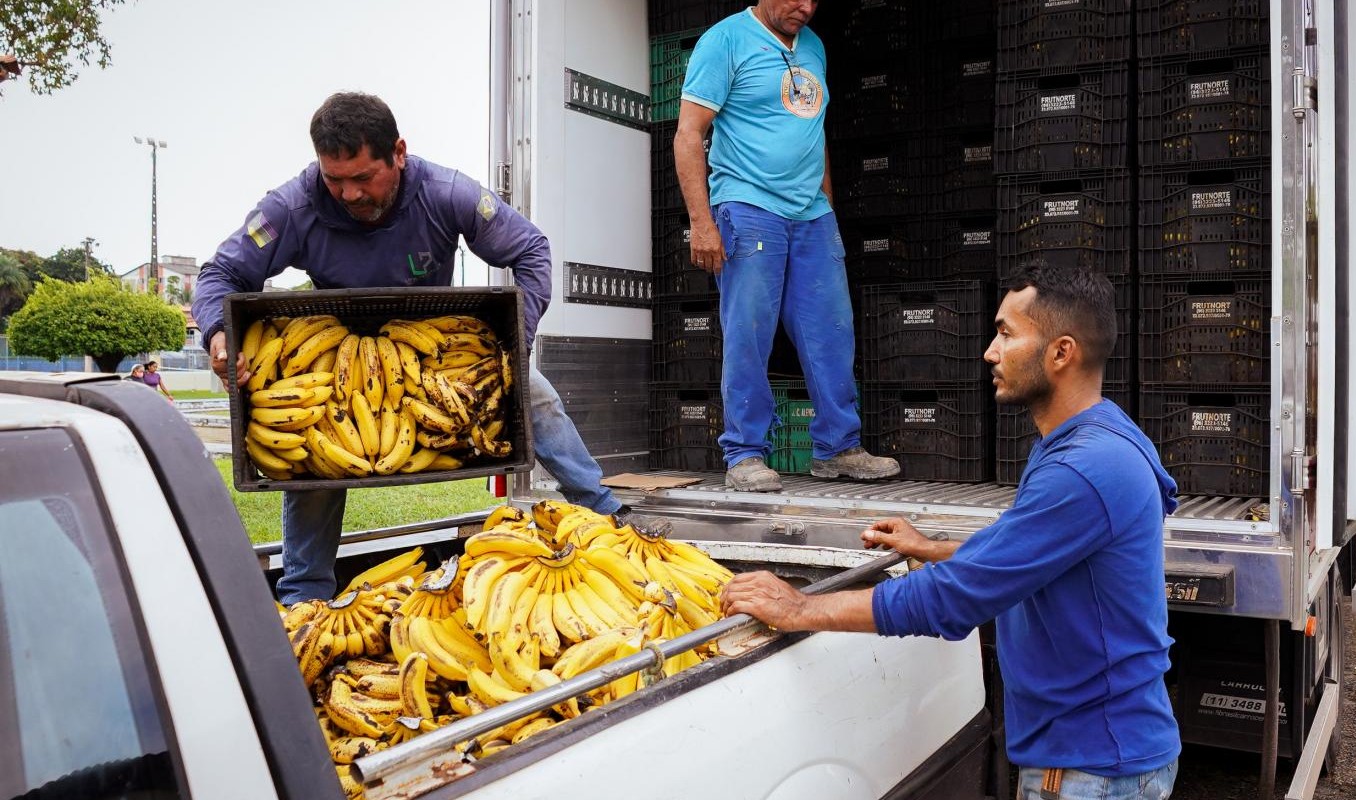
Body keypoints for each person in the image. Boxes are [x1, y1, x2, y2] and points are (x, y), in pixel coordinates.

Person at [722, 266, 1182, 800]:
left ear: (1061, 353)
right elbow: (1029, 548)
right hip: (1101, 754)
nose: (990, 351)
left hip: (1091, 766)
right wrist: (933, 548)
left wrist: (802, 609)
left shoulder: (1085, 468)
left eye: (1007, 333)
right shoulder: (1093, 438)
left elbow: (952, 600)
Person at [192, 92, 665, 604]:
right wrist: (219, 333)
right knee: (314, 445)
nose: (348, 194)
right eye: (335, 180)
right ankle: (303, 595)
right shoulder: (291, 206)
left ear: (398, 152)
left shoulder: (446, 193)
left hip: (437, 350)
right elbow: (221, 272)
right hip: (332, 356)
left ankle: (605, 515)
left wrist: (515, 345)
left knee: (537, 395)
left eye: (362, 177)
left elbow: (531, 249)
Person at [676, 0, 900, 492]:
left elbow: (811, 131)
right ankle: (745, 454)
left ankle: (838, 448)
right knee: (749, 334)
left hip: (811, 215)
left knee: (832, 330)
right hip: (749, 204)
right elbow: (689, 134)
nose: (806, 7)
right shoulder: (726, 41)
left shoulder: (814, 46)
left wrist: (827, 203)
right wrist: (702, 221)